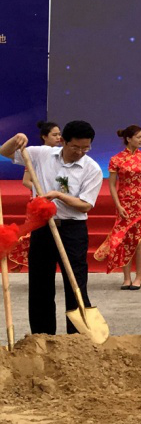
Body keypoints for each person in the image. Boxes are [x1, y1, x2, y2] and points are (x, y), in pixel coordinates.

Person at [1, 123, 103, 335]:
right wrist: (16, 138)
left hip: (72, 229)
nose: (81, 153)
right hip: (43, 227)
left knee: (75, 282)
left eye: (86, 148)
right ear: (63, 141)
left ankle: (77, 337)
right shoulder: (43, 154)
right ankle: (43, 335)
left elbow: (86, 204)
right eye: (76, 147)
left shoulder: (91, 168)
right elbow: (5, 151)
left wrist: (58, 196)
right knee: (40, 284)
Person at [94, 125, 141, 289]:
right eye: (138, 137)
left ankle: (139, 277)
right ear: (128, 139)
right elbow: (111, 186)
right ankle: (126, 277)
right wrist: (118, 205)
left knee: (140, 240)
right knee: (124, 239)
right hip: (124, 203)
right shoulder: (116, 159)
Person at [8, 120, 64, 271]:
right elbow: (26, 181)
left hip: (57, 200)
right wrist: (43, 192)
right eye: (55, 135)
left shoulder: (63, 155)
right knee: (38, 235)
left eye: (60, 134)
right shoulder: (36, 154)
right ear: (45, 137)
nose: (59, 137)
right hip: (40, 201)